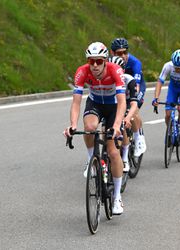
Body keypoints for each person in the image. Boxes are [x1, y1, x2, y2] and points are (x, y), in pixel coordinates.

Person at [63, 42, 126, 215]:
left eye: (99, 61)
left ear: (105, 60)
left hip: (114, 107)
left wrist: (115, 126)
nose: (95, 65)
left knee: (113, 152)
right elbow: (76, 102)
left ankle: (117, 198)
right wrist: (73, 125)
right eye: (92, 61)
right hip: (96, 103)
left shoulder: (115, 71)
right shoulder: (82, 71)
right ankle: (92, 160)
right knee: (89, 126)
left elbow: (122, 102)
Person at [111, 38, 146, 157]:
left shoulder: (135, 62)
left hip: (135, 86)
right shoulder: (110, 62)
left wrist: (131, 101)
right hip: (120, 89)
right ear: (112, 53)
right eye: (119, 53)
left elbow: (136, 86)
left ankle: (138, 138)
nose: (123, 56)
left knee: (132, 111)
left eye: (125, 52)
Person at [152, 49, 180, 145]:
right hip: (173, 88)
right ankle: (169, 132)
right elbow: (160, 82)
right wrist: (156, 97)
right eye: (176, 67)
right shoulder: (168, 66)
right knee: (168, 114)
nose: (177, 70)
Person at [108, 56, 139, 174]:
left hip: (127, 103)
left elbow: (134, 103)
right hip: (113, 105)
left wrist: (127, 117)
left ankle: (125, 157)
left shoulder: (129, 80)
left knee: (123, 125)